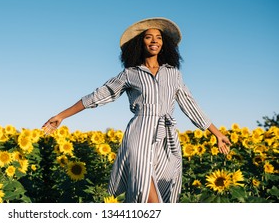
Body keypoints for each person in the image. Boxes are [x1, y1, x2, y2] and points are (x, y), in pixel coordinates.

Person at [42, 17, 231, 203]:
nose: (154, 40)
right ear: (140, 43)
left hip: (167, 138)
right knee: (146, 191)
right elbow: (98, 96)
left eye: (159, 37)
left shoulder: (174, 74)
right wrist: (61, 116)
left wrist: (217, 133)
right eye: (148, 37)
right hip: (138, 135)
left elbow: (191, 106)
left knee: (166, 192)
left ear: (164, 44)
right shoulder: (130, 74)